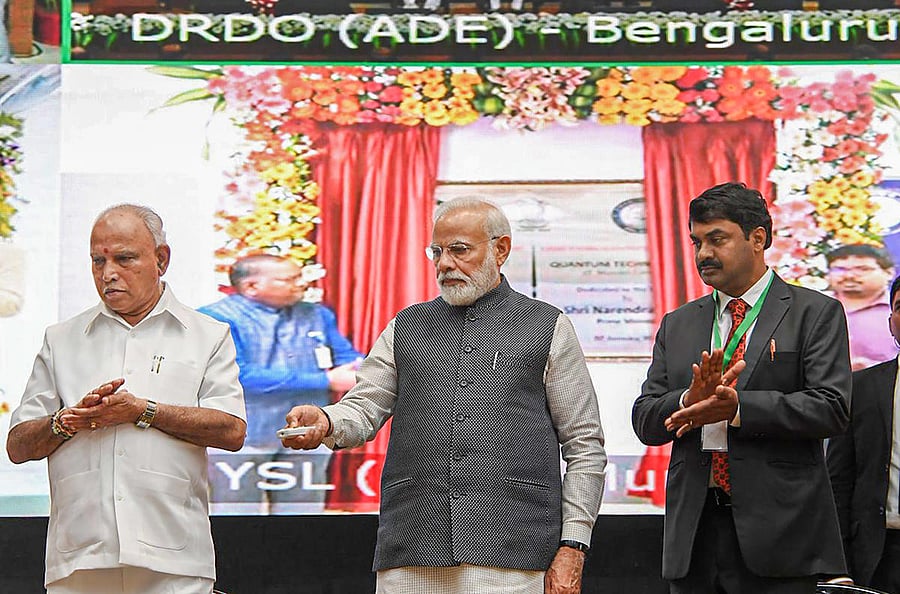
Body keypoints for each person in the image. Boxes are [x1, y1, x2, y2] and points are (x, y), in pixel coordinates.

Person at [281, 197, 606, 594]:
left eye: (460, 250)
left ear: (501, 249)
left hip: (514, 552)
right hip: (413, 548)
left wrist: (573, 545)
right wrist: (328, 421)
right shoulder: (407, 325)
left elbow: (584, 444)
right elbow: (365, 405)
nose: (445, 264)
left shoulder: (547, 325)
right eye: (437, 251)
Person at [6, 204, 246, 594]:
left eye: (124, 258)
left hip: (175, 558)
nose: (108, 273)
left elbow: (232, 431)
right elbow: (17, 446)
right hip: (79, 559)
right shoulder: (62, 338)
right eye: (97, 260)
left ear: (161, 259)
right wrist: (66, 421)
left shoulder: (208, 335)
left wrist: (143, 411)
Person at [632, 182, 851, 593]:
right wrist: (686, 400)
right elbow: (645, 419)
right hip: (694, 535)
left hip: (781, 535)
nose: (703, 254)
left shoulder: (814, 313)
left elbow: (831, 407)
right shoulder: (678, 323)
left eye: (717, 239)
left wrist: (736, 409)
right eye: (697, 241)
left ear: (758, 239)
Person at [199, 254, 361, 512]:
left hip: (308, 432)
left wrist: (361, 369)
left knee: (301, 518)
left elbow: (347, 357)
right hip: (244, 434)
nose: (302, 284)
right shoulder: (215, 318)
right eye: (290, 279)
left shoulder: (316, 314)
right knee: (238, 518)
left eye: (301, 276)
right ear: (252, 287)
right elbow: (239, 375)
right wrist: (326, 380)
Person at [827, 274, 900, 593]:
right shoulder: (862, 388)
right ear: (891, 321)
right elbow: (839, 482)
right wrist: (837, 567)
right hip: (880, 553)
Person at [826, 244, 897, 370]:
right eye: (839, 269)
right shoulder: (813, 307)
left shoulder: (894, 311)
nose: (849, 276)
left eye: (862, 269)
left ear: (889, 273)